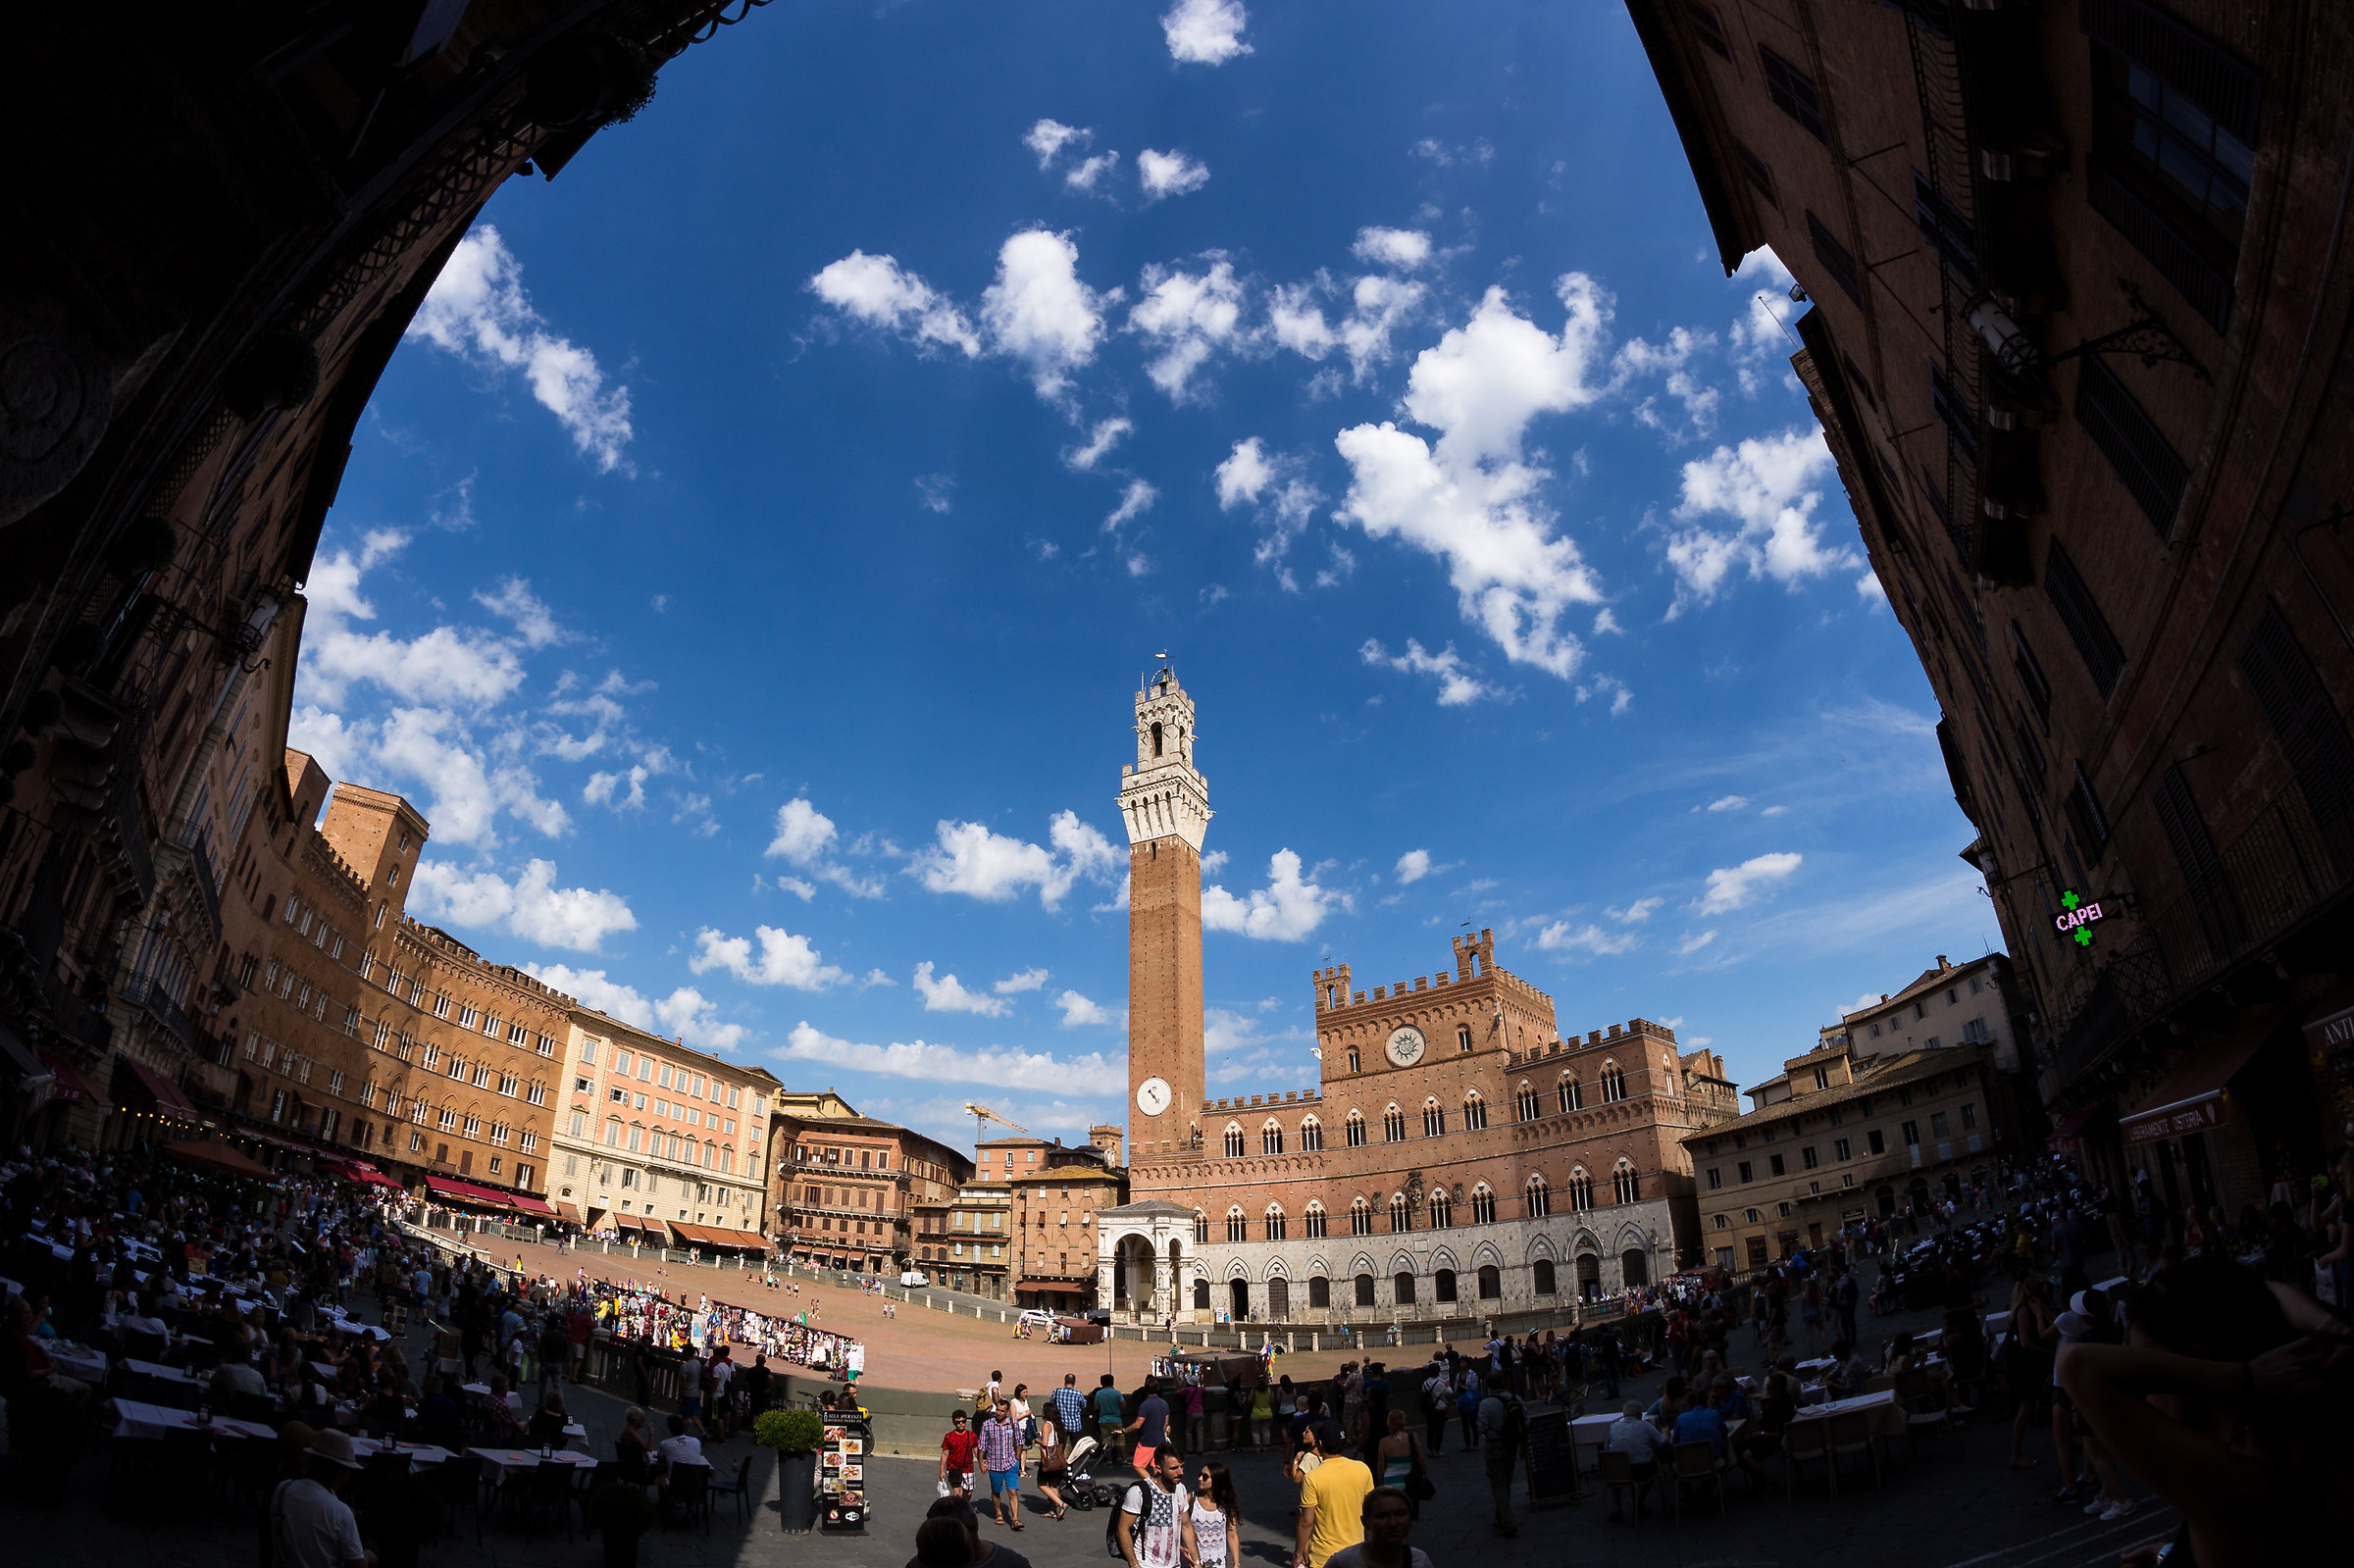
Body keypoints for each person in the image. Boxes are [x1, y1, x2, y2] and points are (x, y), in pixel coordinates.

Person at [2060, 1253, 2353, 1568]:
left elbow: (2077, 1366)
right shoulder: (2299, 1443)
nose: (2144, 1399)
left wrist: (2241, 1376)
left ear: (2201, 1363)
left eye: (2152, 1373)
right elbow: (2258, 1291)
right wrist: (2171, 1555)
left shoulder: (2235, 1488)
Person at [273, 1428, 374, 1568]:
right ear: (340, 1473)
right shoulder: (341, 1513)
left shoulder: (283, 1489)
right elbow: (357, 1564)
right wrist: (368, 1556)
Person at [1293, 1422, 1373, 1568]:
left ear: (1320, 1444)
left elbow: (1307, 1521)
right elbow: (1371, 1511)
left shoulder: (1312, 1478)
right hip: (1357, 1552)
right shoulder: (1363, 1469)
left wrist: (1298, 1554)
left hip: (1324, 1556)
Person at [1323, 1488, 1432, 1568]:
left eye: (1400, 1514)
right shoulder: (1343, 1562)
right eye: (1382, 1516)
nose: (1393, 1523)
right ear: (1365, 1522)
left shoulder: (1420, 1561)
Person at [1116, 1447, 1188, 1568]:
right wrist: (1134, 1564)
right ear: (1158, 1468)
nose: (1180, 1472)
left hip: (1174, 1564)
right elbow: (1122, 1529)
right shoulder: (1138, 1492)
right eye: (1174, 1468)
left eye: (1181, 1467)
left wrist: (1196, 1561)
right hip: (1146, 1564)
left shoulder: (1181, 1489)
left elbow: (1186, 1525)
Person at [1476, 1377, 1524, 1537]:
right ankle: (1501, 1515)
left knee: (1498, 1484)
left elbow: (1480, 1428)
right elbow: (1526, 1421)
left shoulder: (1486, 1404)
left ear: (1488, 1386)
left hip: (1494, 1445)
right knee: (1506, 1479)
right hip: (1512, 1445)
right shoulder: (1516, 1399)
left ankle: (1508, 1521)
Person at [1604, 1399, 1665, 1518]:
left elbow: (1607, 1449)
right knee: (1654, 1469)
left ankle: (1617, 1507)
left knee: (1613, 1470)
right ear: (1639, 1415)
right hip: (1640, 1471)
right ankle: (1639, 1503)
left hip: (1618, 1472)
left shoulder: (1613, 1427)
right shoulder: (1644, 1426)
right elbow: (1661, 1442)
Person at [1183, 1460, 1240, 1568]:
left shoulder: (1227, 1504)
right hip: (1194, 1562)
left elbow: (1232, 1534)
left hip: (1219, 1562)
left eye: (1205, 1477)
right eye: (1200, 1475)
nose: (1200, 1479)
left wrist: (1236, 1563)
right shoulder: (1191, 1500)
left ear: (1217, 1481)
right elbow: (1181, 1528)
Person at [1372, 1409, 1428, 1520]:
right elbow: (1421, 1458)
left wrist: (1381, 1481)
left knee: (1393, 1517)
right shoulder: (1413, 1437)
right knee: (1408, 1516)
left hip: (1390, 1483)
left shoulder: (1383, 1442)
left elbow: (1381, 1466)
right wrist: (1424, 1474)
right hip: (1410, 1482)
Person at [978, 1402, 1024, 1530]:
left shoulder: (1013, 1424)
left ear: (1007, 1412)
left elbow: (1019, 1442)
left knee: (1013, 1491)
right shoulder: (987, 1425)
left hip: (1010, 1464)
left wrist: (1017, 1459)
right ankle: (998, 1513)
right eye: (997, 1410)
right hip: (994, 1464)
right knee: (996, 1491)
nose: (998, 1413)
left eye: (1002, 1411)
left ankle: (1015, 1519)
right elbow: (982, 1446)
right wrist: (981, 1462)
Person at [1034, 1410, 1070, 1520]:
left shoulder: (1046, 1425)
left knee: (1041, 1484)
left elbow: (1045, 1443)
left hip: (1048, 1459)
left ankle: (1061, 1503)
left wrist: (1036, 1440)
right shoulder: (1056, 1425)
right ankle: (1053, 1511)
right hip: (1056, 1460)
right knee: (1053, 1485)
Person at [940, 1409, 980, 1499]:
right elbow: (945, 1454)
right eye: (958, 1422)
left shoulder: (972, 1436)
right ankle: (958, 1511)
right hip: (953, 1468)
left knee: (968, 1493)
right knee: (957, 1493)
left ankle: (964, 1506)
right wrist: (942, 1470)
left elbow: (976, 1451)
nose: (961, 1424)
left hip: (968, 1468)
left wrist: (982, 1464)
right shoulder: (949, 1436)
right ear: (954, 1423)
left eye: (963, 1421)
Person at [1093, 1375, 1127, 1462]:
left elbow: (1096, 1408)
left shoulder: (1099, 1394)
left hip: (1103, 1420)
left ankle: (1109, 1461)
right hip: (1116, 1419)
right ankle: (1124, 1460)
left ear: (1102, 1383)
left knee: (1106, 1441)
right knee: (1120, 1441)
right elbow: (1123, 1405)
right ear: (1112, 1382)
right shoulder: (1117, 1393)